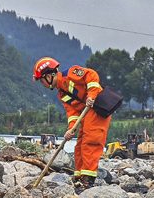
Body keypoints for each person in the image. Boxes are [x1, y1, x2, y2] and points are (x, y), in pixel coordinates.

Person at [34, 57, 111, 190]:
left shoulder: (70, 73)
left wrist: (91, 95)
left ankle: (88, 180)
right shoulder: (62, 94)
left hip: (98, 106)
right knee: (80, 144)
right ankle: (79, 178)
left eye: (42, 82)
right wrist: (71, 129)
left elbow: (91, 75)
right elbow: (73, 113)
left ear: (48, 75)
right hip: (87, 112)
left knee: (90, 141)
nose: (44, 85)